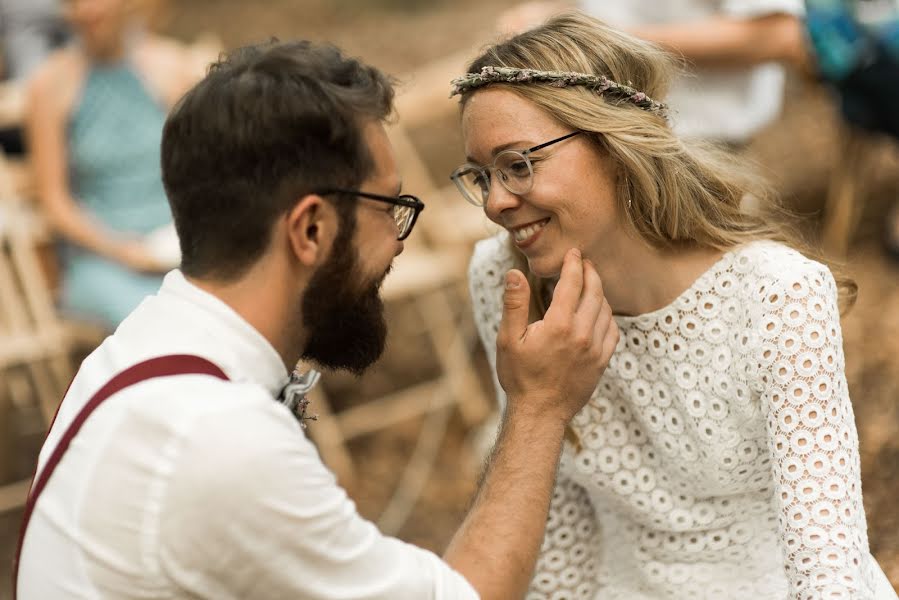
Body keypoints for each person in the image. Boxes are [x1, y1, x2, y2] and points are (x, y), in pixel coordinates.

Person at [14, 38, 621, 599]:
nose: (400, 241)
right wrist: (539, 405)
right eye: (390, 208)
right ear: (310, 229)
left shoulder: (136, 350)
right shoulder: (218, 440)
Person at [452, 12, 897, 599]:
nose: (496, 203)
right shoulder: (502, 278)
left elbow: (826, 569)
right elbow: (557, 537)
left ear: (614, 143)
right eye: (481, 177)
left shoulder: (775, 295)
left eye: (519, 165)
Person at [25, 0, 197, 328]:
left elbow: (204, 170)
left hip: (179, 245)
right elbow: (54, 202)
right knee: (159, 324)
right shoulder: (50, 84)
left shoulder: (170, 67)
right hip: (100, 259)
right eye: (74, 3)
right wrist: (123, 251)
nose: (88, 11)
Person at [496, 0, 808, 145]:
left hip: (702, 150)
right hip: (620, 137)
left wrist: (613, 40)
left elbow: (778, 35)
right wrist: (554, 15)